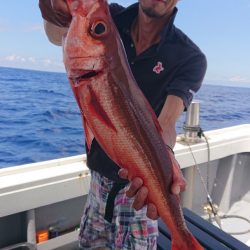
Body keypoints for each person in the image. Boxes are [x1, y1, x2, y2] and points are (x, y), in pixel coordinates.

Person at [39, 0, 207, 249]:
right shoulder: (112, 17)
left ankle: (182, 238)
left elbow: (168, 122)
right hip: (98, 181)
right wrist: (52, 8)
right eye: (98, 30)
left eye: (98, 30)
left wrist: (165, 155)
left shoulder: (189, 57)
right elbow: (58, 34)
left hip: (140, 189)